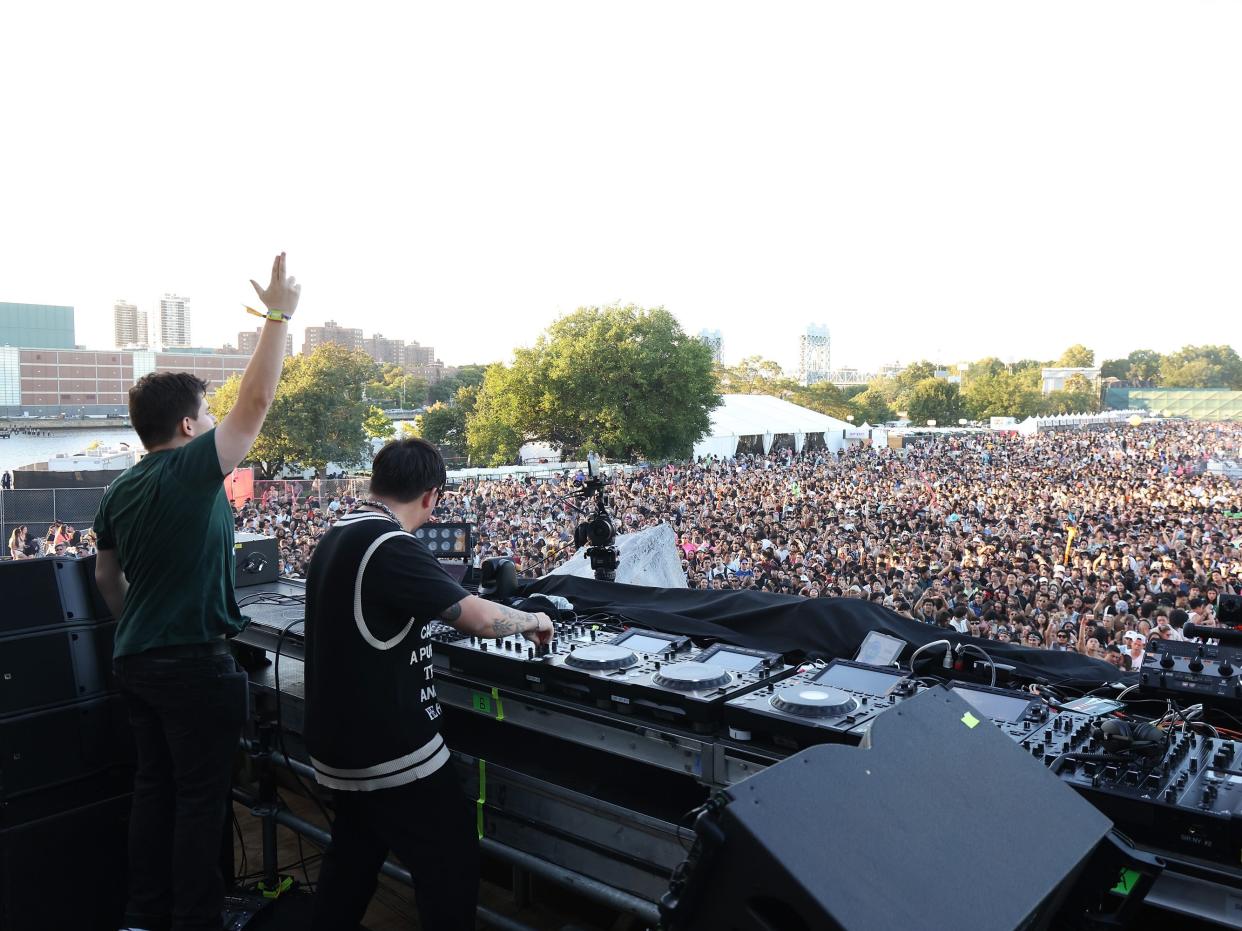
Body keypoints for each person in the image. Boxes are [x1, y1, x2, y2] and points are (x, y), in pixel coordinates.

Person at [93, 253, 300, 931]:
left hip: (136, 661)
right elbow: (258, 401)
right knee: (199, 802)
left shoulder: (118, 488)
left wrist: (141, 626)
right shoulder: (189, 469)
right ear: (185, 427)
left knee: (153, 792)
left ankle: (142, 917)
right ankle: (195, 921)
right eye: (207, 415)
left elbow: (105, 576)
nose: (217, 424)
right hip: (191, 663)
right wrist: (278, 315)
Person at [304, 437, 554, 931]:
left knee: (353, 859)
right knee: (450, 867)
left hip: (339, 745)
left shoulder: (338, 532)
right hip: (392, 751)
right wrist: (534, 620)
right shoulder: (389, 544)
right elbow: (477, 618)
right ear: (431, 496)